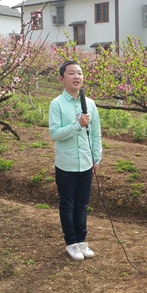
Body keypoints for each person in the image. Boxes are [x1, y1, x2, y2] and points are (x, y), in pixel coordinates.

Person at [48, 61, 102, 261]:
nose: (76, 77)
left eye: (79, 73)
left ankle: (81, 241)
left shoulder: (90, 104)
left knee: (82, 205)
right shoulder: (57, 104)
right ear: (62, 79)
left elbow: (96, 133)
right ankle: (71, 242)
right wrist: (77, 125)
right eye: (71, 73)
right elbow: (54, 134)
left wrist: (96, 157)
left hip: (86, 162)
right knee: (68, 205)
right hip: (67, 164)